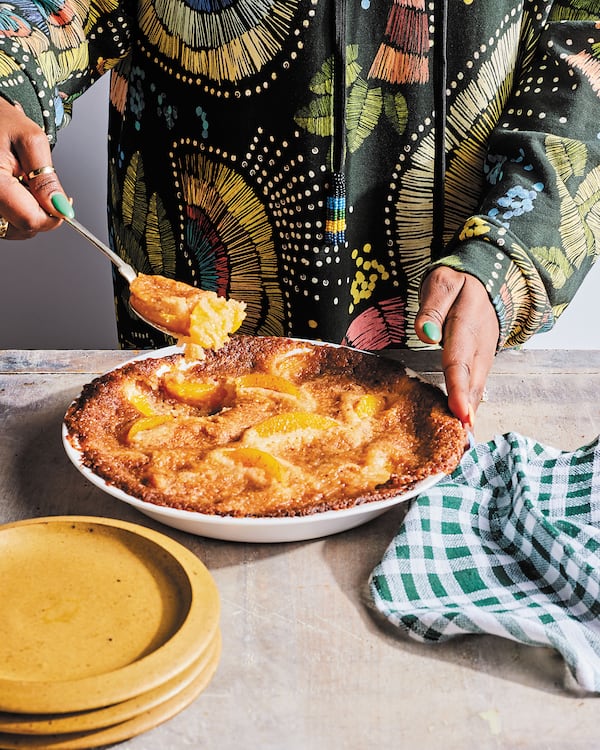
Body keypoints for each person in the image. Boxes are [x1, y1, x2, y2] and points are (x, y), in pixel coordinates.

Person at [0, 0, 599, 430]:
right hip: (197, 253)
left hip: (444, 299)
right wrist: (8, 82)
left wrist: (507, 252)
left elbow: (587, 40)